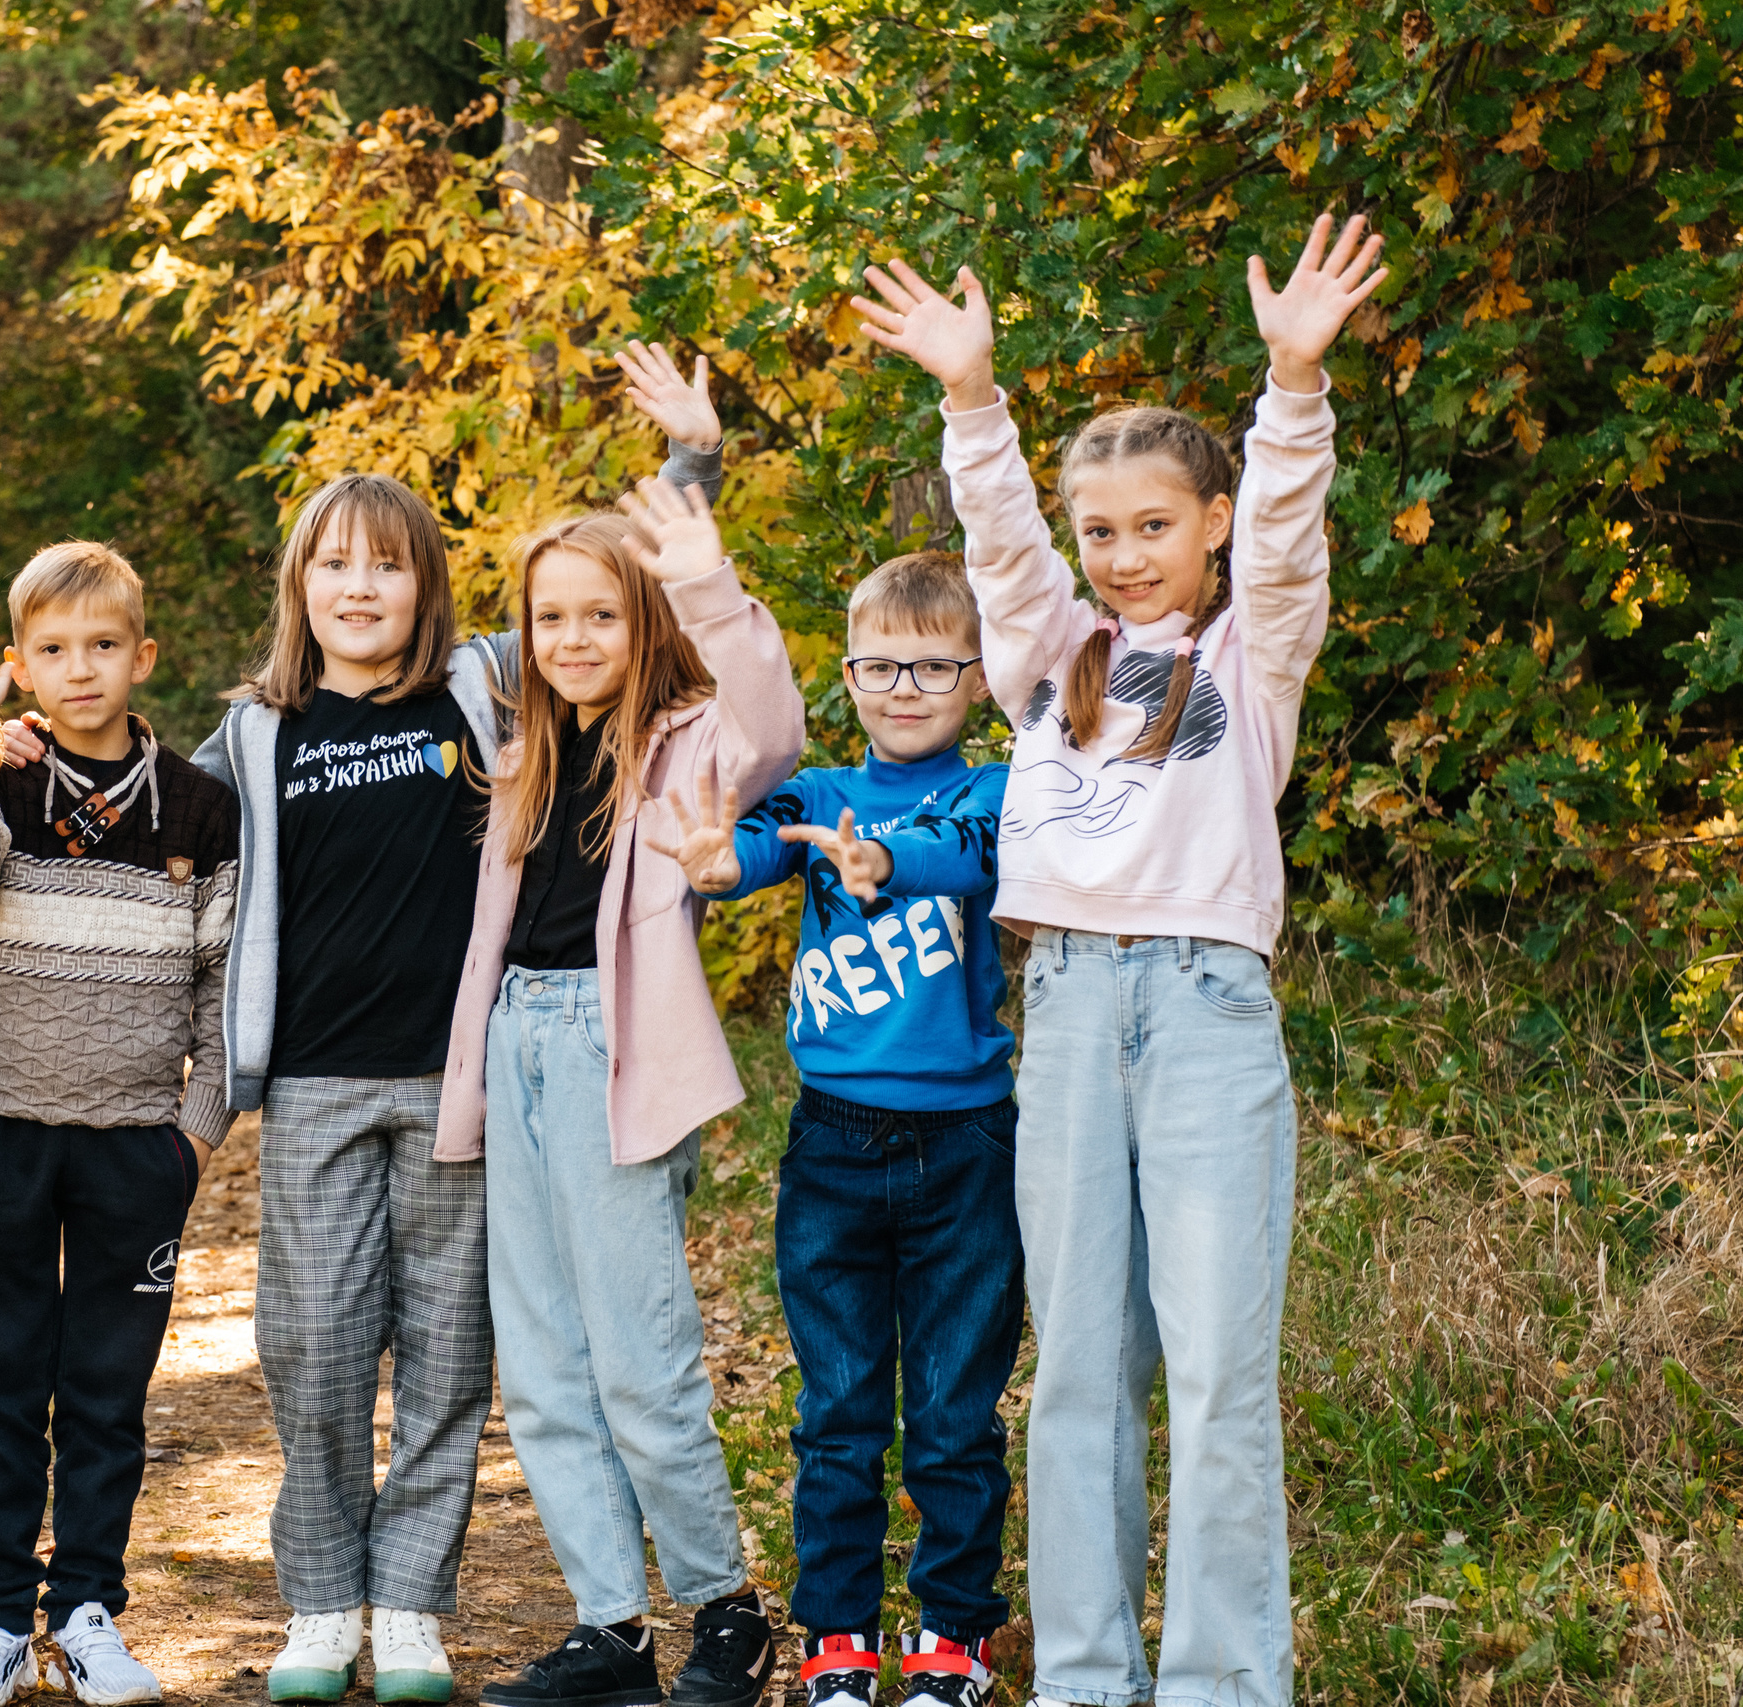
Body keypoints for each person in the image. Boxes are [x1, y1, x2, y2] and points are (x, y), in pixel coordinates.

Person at [850, 213, 1388, 1707]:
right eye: (1101, 532)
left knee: (1215, 1371)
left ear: (1210, 522)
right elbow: (998, 543)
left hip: (1206, 1007)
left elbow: (1288, 540)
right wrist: (971, 396)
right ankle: (1088, 1675)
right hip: (1072, 1005)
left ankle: (1220, 1682)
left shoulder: (1253, 656)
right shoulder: (1050, 655)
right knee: (1081, 1366)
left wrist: (1294, 384)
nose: (1125, 555)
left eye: (1154, 525)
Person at [191, 344, 725, 1706]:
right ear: (299, 588)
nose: (359, 588)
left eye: (388, 566)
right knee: (314, 1348)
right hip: (315, 1082)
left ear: (427, 587)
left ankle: (413, 1603)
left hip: (468, 1082)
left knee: (446, 1354)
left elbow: (622, 596)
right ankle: (323, 1598)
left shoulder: (485, 690)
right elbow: (138, 808)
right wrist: (12, 751)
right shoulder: (253, 735)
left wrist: (691, 460)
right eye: (333, 566)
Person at [433, 472, 805, 1707]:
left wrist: (705, 577)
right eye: (550, 618)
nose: (573, 639)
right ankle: (612, 1626)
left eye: (601, 614)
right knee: (543, 1366)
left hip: (615, 1050)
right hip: (518, 1044)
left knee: (641, 1362)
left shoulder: (691, 741)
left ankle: (724, 1608)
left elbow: (775, 725)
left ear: (645, 622)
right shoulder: (524, 757)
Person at [656, 549, 1018, 1707]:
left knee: (954, 1415)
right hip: (833, 1150)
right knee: (840, 1413)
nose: (905, 689)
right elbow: (751, 852)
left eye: (933, 668)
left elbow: (964, 859)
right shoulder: (815, 795)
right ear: (847, 676)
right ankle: (838, 1646)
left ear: (977, 679)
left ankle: (952, 1642)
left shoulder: (994, 792)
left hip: (966, 1148)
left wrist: (883, 859)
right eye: (880, 667)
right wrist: (718, 861)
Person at [0, 543, 242, 1707]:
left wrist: (194, 1136)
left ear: (143, 656)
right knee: (1, 1386)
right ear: (22, 663)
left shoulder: (198, 805)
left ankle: (87, 1610)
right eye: (53, 649)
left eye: (103, 645)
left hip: (136, 1146)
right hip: (1, 1131)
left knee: (106, 1390)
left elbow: (222, 984)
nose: (80, 667)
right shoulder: (4, 779)